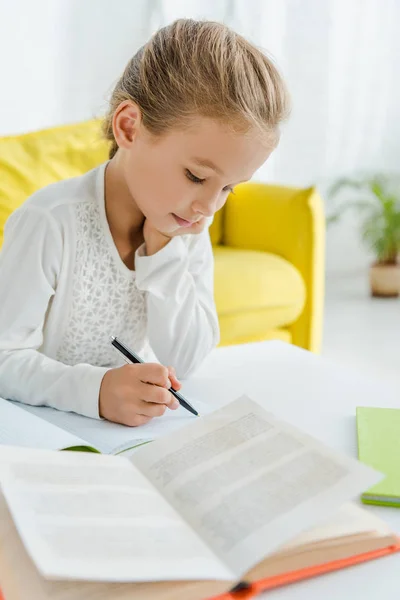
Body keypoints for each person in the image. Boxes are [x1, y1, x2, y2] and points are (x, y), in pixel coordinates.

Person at [0, 19, 289, 426]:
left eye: (229, 189)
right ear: (129, 127)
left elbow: (184, 361)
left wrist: (165, 252)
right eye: (196, 177)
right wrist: (95, 391)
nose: (209, 207)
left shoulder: (187, 227)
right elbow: (3, 359)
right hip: (46, 439)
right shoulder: (50, 223)